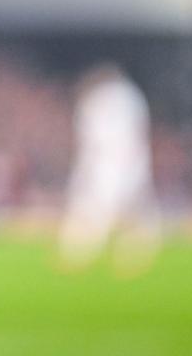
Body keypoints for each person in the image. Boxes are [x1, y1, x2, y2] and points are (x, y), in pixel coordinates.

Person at [57, 63, 159, 275]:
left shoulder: (102, 99)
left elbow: (92, 137)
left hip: (110, 161)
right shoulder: (130, 97)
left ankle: (81, 252)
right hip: (126, 160)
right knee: (134, 210)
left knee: (99, 208)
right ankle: (131, 253)